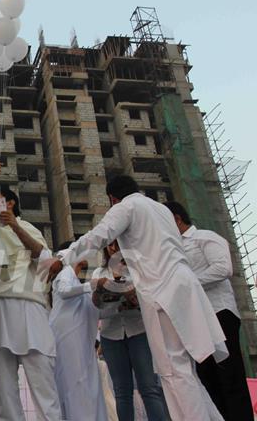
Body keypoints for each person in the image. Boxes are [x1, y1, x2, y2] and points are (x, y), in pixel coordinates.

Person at [47, 175, 226, 421]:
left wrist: (63, 258)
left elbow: (97, 235)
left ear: (112, 198)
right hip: (184, 285)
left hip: (163, 292)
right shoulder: (161, 209)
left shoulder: (127, 207)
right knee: (185, 369)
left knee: (173, 371)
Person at [0, 162, 61, 421]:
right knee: (5, 395)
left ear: (10, 205)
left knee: (43, 384)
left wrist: (14, 227)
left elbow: (46, 260)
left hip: (27, 306)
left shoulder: (28, 228)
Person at [164, 201, 253, 420]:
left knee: (230, 374)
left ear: (176, 218)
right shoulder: (172, 250)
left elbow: (223, 268)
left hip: (219, 312)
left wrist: (189, 284)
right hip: (194, 318)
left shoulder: (205, 237)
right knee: (207, 377)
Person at [92, 242, 169, 421]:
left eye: (118, 242)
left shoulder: (138, 271)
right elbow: (98, 310)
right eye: (110, 243)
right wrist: (101, 294)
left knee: (149, 387)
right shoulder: (99, 274)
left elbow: (151, 303)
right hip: (111, 335)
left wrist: (134, 299)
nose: (113, 247)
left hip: (139, 331)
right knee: (121, 391)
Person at [49, 244, 108, 421]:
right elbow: (64, 291)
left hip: (80, 346)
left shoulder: (77, 282)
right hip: (69, 343)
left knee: (83, 387)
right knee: (75, 387)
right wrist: (93, 284)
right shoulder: (66, 272)